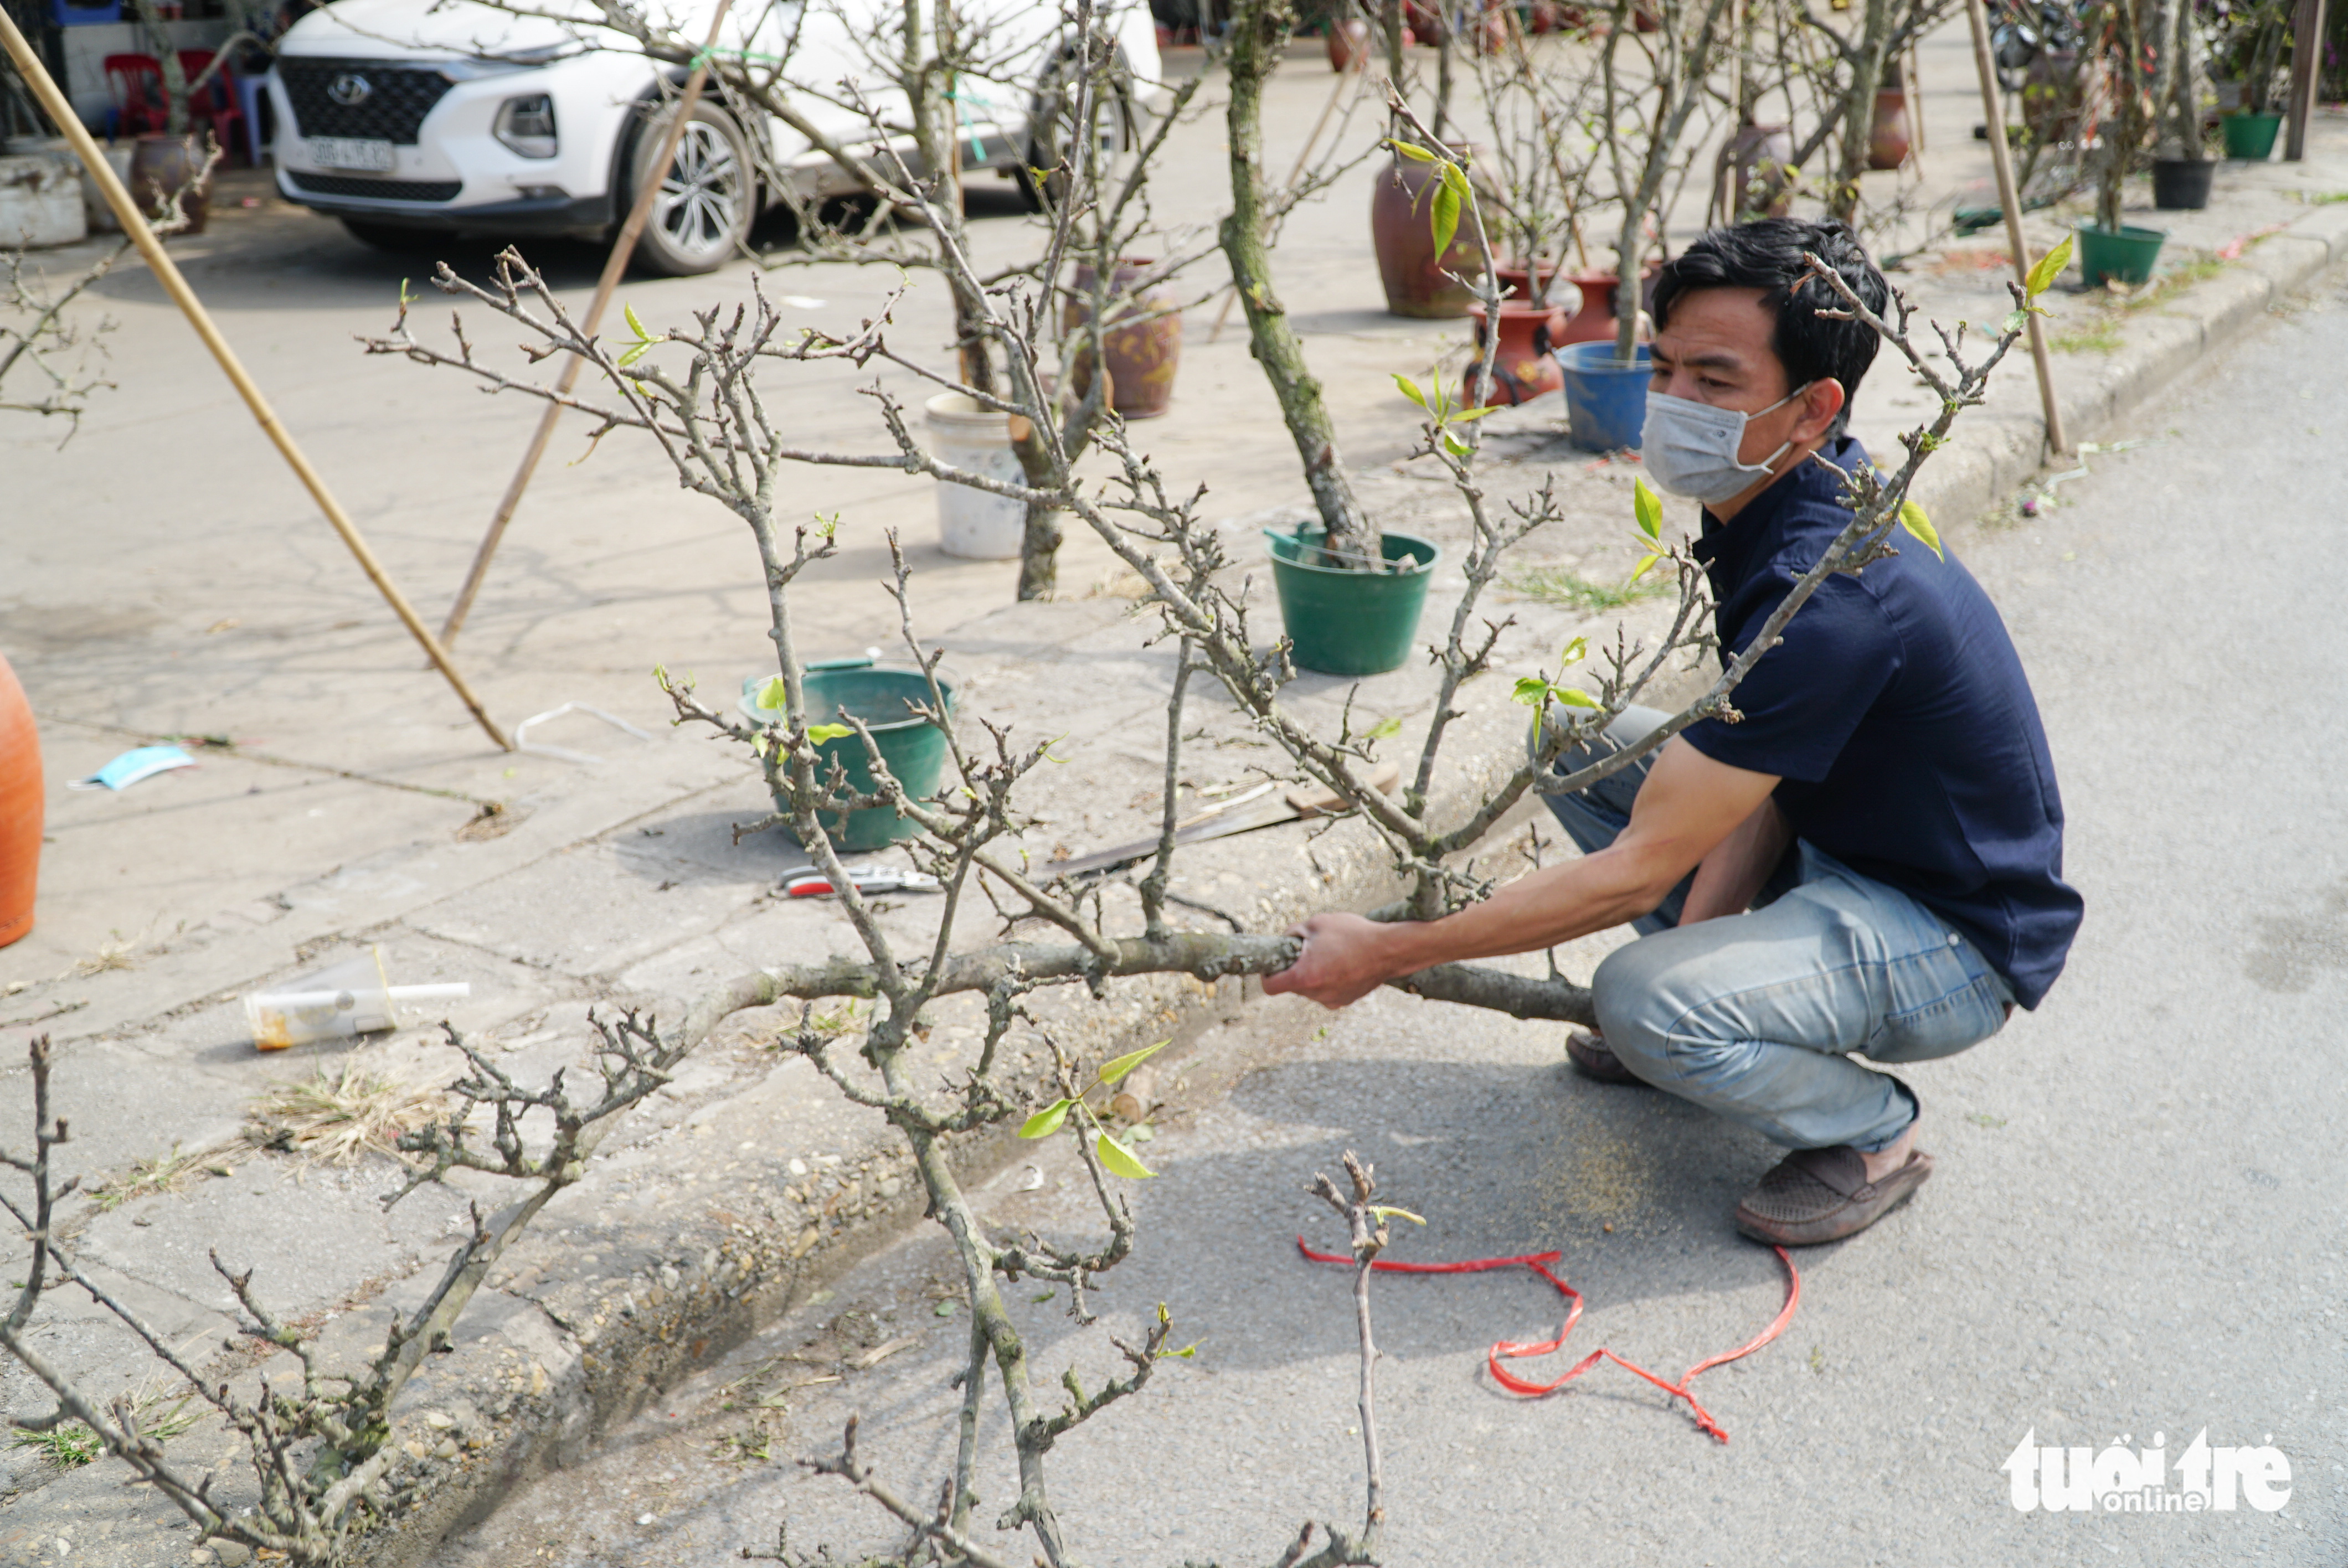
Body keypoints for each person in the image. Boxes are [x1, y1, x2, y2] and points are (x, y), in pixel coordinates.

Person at [1264, 218, 2083, 1246]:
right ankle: (1711, 1009)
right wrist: (1703, 948)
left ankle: (1874, 1131)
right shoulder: (1776, 494)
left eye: (1714, 380)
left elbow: (1638, 872)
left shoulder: (1826, 595)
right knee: (1578, 735)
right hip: (1844, 845)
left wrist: (1385, 951)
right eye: (1665, 368)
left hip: (1950, 936)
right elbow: (1764, 776)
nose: (1672, 405)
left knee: (1639, 995)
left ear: (1813, 406)